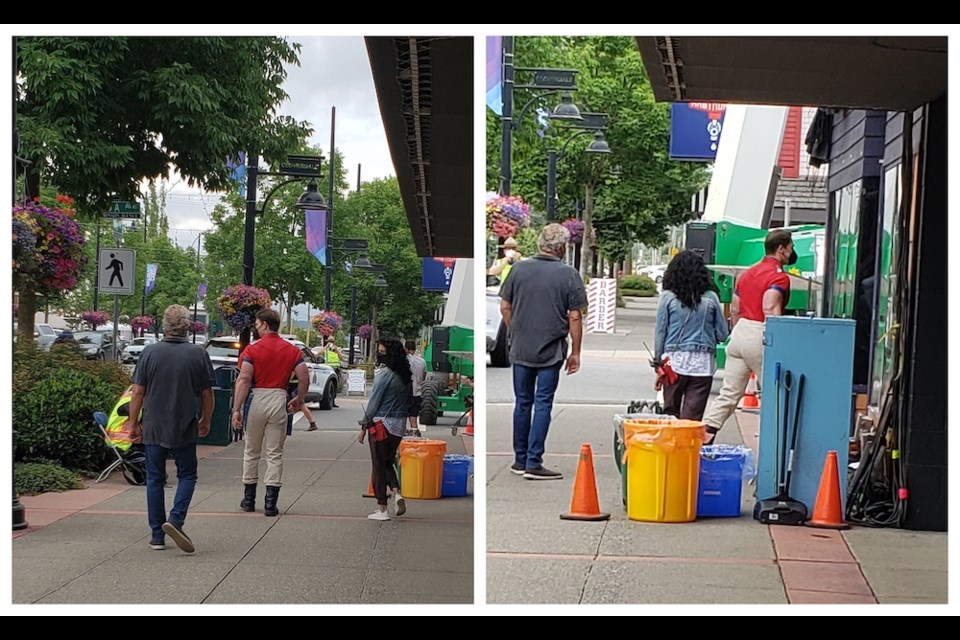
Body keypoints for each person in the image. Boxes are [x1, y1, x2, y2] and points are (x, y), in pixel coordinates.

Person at [499, 223, 587, 480]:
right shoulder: (568, 274)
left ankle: (519, 459)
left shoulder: (518, 269)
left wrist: (516, 330)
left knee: (522, 402)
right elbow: (574, 316)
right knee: (543, 403)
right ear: (561, 247)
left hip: (521, 348)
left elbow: (505, 306)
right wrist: (576, 352)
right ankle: (534, 462)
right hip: (551, 350)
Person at [127, 304, 215, 553]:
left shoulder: (149, 353)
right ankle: (175, 519)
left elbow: (138, 392)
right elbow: (207, 393)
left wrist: (133, 423)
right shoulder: (197, 354)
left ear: (164, 326)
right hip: (185, 424)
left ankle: (157, 535)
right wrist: (206, 420)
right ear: (187, 326)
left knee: (154, 478)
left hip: (154, 424)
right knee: (187, 474)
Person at [701, 229, 796, 444]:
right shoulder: (779, 277)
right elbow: (770, 307)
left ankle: (705, 434)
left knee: (729, 394)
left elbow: (734, 309)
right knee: (774, 395)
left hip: (740, 333)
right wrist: (778, 340)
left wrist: (738, 332)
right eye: (790, 249)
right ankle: (773, 446)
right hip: (762, 333)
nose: (791, 254)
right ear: (781, 249)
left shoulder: (746, 275)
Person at [232, 309, 310, 517]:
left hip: (256, 399)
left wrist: (236, 409)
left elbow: (244, 379)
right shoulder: (291, 350)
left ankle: (249, 500)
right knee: (274, 453)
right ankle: (270, 503)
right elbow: (304, 378)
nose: (256, 328)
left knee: (251, 451)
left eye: (257, 324)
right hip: (279, 398)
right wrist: (299, 399)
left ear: (265, 324)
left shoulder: (251, 350)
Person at [654, 250, 729, 421]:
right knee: (692, 419)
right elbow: (723, 334)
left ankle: (670, 447)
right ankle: (687, 446)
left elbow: (660, 332)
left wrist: (658, 362)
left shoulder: (667, 297)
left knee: (670, 415)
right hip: (703, 363)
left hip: (673, 361)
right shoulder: (711, 298)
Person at [358, 338, 411, 520]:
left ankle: (382, 509)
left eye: (381, 351)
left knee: (378, 466)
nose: (379, 354)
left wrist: (364, 425)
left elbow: (374, 403)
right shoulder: (405, 376)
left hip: (381, 424)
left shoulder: (384, 375)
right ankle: (397, 493)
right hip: (398, 426)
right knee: (387, 461)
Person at [405, 339, 427, 437]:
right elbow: (423, 377)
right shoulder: (422, 362)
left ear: (406, 349)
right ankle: (415, 436)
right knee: (413, 416)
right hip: (418, 393)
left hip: (406, 393)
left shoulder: (405, 361)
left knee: (402, 417)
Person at [323, 336, 344, 407]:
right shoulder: (325, 349)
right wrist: (326, 347)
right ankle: (329, 400)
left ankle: (333, 401)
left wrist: (336, 351)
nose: (331, 343)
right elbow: (318, 353)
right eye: (329, 341)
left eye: (332, 342)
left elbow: (342, 358)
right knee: (329, 386)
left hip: (335, 369)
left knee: (334, 386)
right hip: (328, 369)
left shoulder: (336, 349)